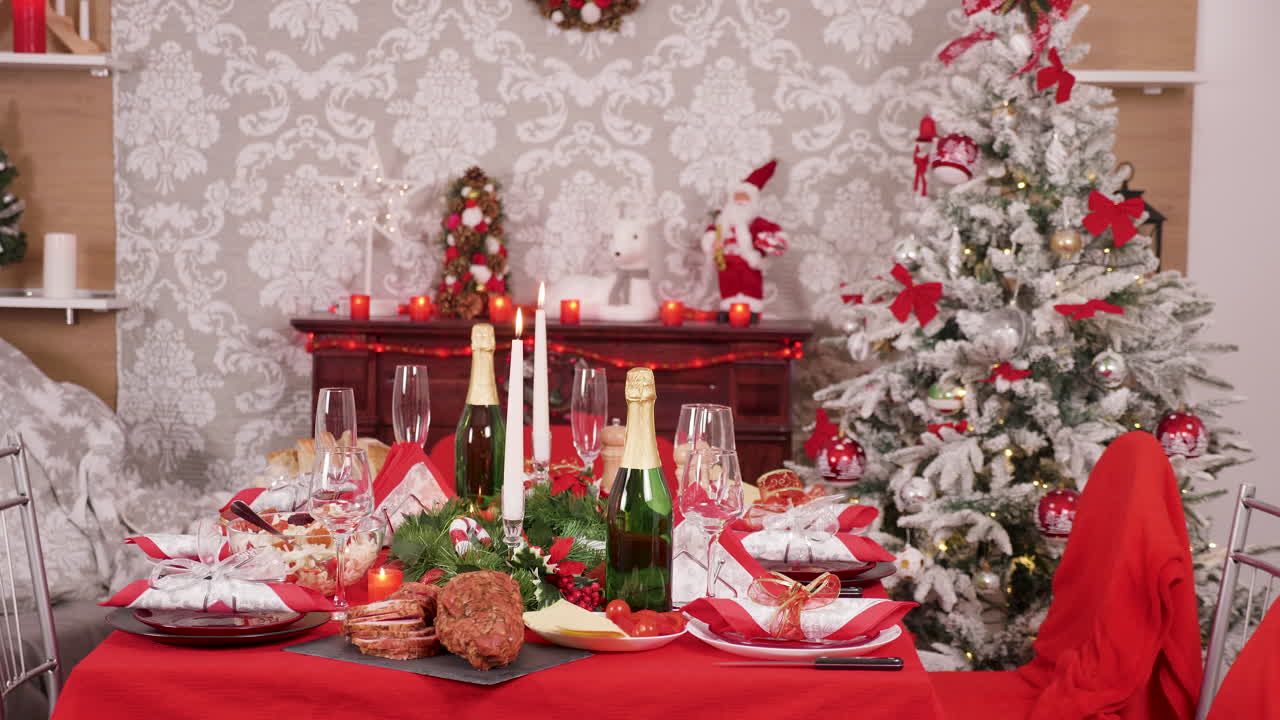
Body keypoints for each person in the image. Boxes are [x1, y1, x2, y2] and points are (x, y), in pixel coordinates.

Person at [700, 160, 787, 313]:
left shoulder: (756, 223)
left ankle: (751, 309)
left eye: (744, 198)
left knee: (750, 283)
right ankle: (729, 308)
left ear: (752, 202)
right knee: (728, 283)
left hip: (748, 262)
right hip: (726, 261)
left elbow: (776, 235)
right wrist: (711, 241)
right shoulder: (722, 221)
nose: (739, 201)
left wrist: (772, 241)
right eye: (737, 197)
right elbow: (710, 233)